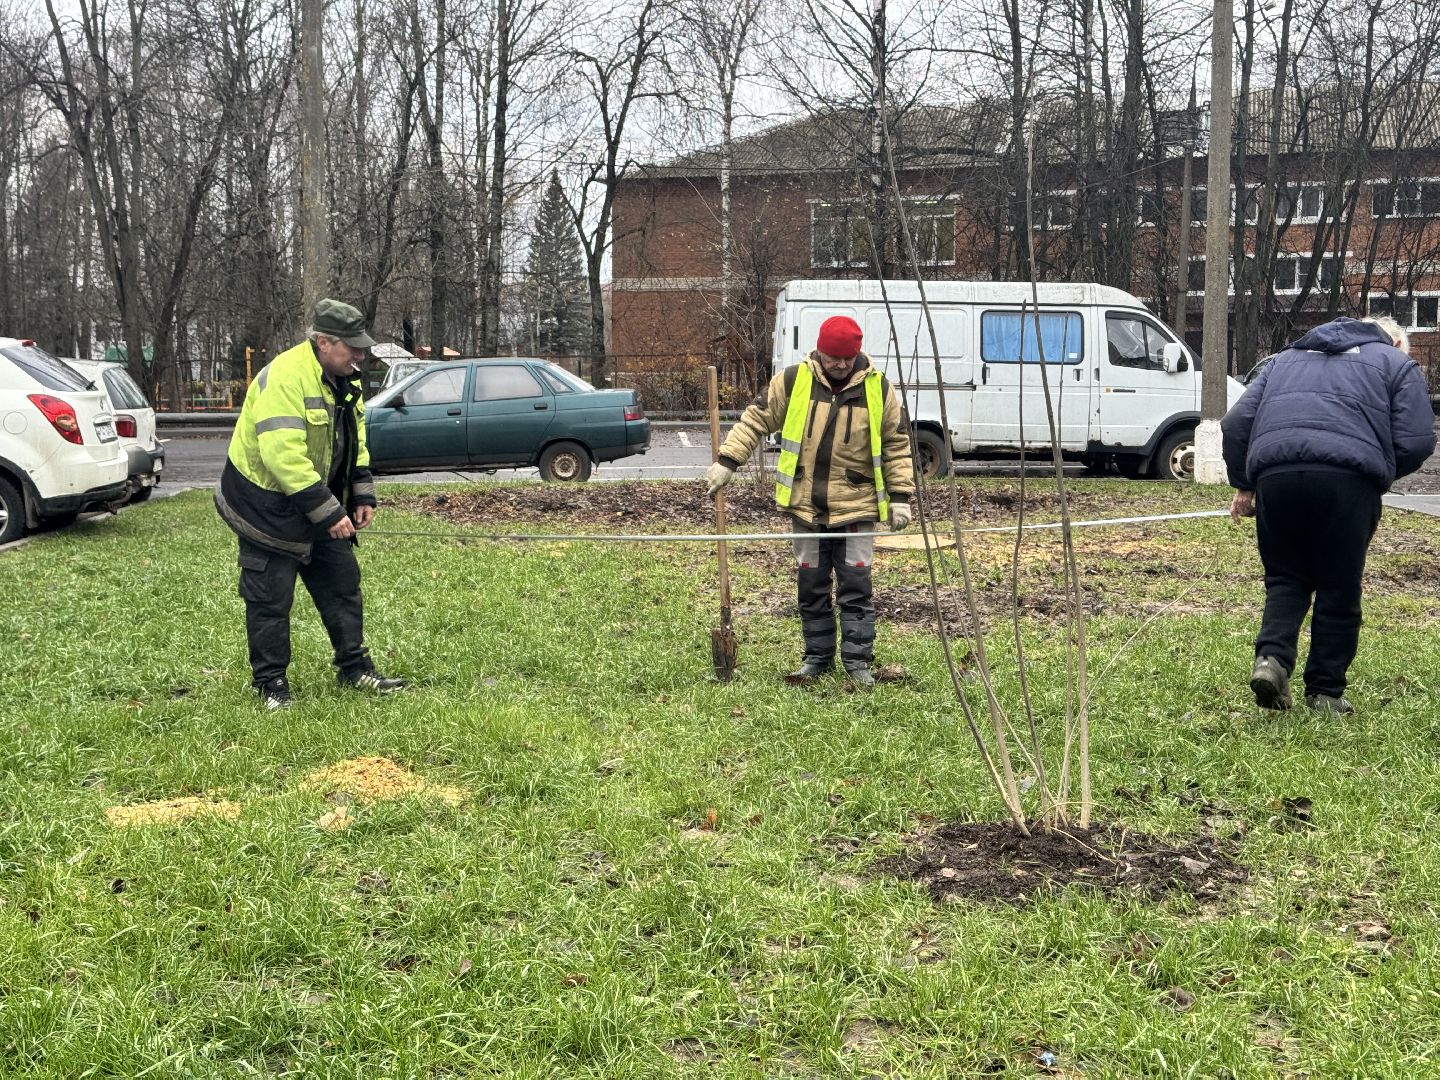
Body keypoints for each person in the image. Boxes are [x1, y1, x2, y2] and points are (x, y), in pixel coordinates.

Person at [1222, 315, 1434, 714]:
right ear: (1393, 344)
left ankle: (1272, 661)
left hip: (1277, 477)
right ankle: (1324, 692)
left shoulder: (1283, 361)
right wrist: (1376, 468)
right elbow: (1418, 439)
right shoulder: (1394, 364)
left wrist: (1246, 483)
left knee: (1286, 578)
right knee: (1338, 584)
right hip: (1347, 482)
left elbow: (1235, 424)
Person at [215, 299, 407, 709]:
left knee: (342, 585)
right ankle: (271, 687)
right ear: (323, 342)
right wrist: (329, 511)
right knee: (269, 599)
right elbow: (282, 456)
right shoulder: (285, 378)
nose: (360, 355)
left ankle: (355, 669)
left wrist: (361, 491)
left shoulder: (343, 379)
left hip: (317, 501)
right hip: (264, 508)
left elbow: (353, 437)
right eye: (352, 347)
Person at [705, 315, 916, 686]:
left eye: (847, 357)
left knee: (856, 586)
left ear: (857, 353)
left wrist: (900, 497)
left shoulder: (879, 389)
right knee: (812, 586)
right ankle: (817, 658)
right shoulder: (792, 381)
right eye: (834, 357)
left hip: (857, 508)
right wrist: (728, 462)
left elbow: (897, 444)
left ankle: (858, 663)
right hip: (805, 508)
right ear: (820, 351)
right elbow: (755, 420)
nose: (841, 364)